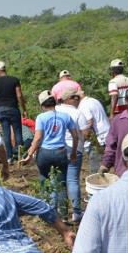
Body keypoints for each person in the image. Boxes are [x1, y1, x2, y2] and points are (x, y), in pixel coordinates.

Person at [22, 91, 78, 218]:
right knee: (62, 184)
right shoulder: (65, 116)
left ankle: (46, 213)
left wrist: (29, 154)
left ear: (42, 105)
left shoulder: (41, 118)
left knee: (44, 181)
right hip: (60, 152)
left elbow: (37, 139)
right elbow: (75, 136)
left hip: (45, 153)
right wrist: (73, 152)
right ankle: (63, 215)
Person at [56, 89, 90, 223]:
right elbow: (86, 133)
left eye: (77, 97)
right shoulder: (77, 113)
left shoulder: (56, 110)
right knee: (73, 181)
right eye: (74, 97)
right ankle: (76, 212)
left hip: (57, 148)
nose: (77, 99)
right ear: (67, 99)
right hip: (74, 149)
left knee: (60, 182)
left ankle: (63, 214)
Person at [0, 60, 27, 162]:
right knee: (18, 132)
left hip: (1, 110)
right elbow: (19, 95)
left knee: (6, 133)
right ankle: (20, 155)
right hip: (13, 108)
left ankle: (9, 157)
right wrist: (24, 109)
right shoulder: (14, 80)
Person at [101, 89, 128, 178]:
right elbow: (111, 146)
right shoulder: (118, 121)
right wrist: (105, 164)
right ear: (126, 100)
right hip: (123, 172)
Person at [79, 89, 110, 173]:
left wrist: (82, 137)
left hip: (99, 139)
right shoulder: (93, 100)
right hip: (106, 133)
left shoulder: (83, 106)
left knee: (96, 169)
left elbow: (90, 122)